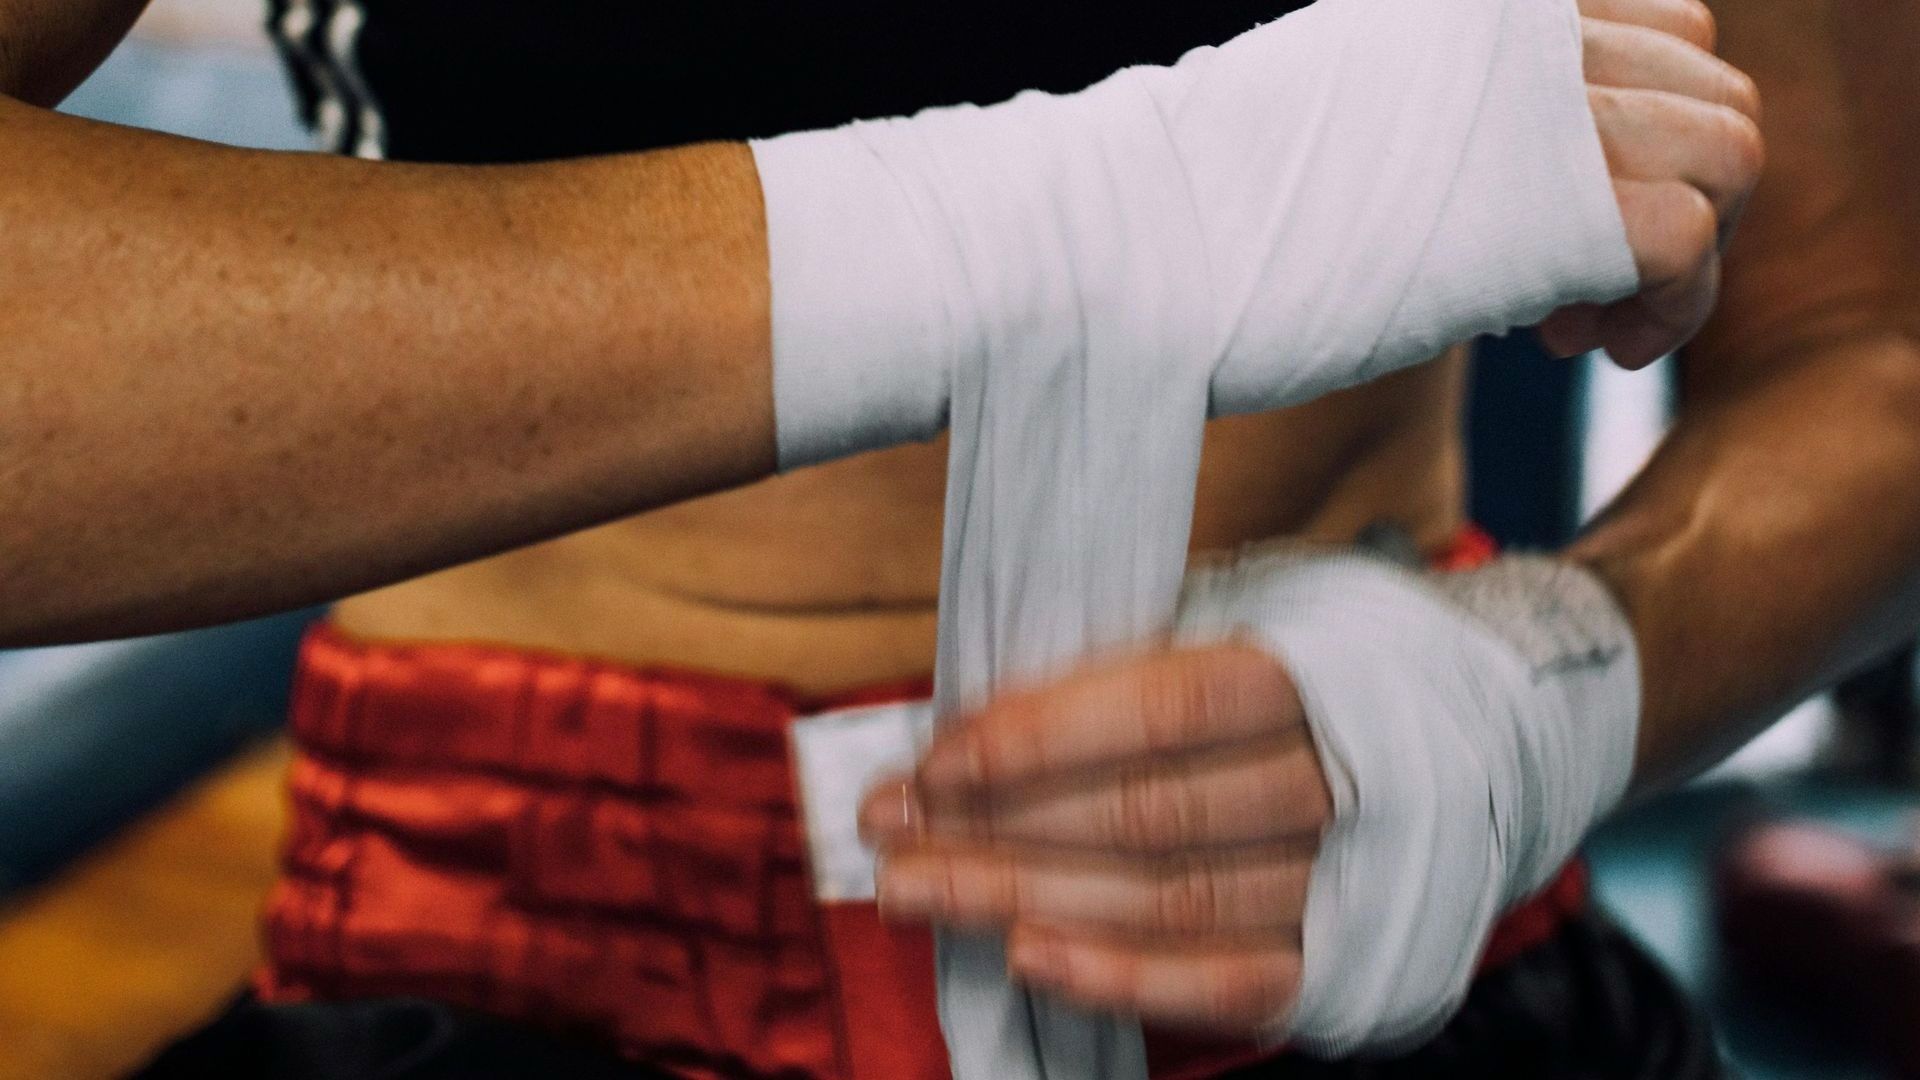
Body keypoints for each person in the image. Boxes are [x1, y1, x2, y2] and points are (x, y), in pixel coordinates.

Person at [0, 0, 1777, 1076]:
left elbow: (1870, 334)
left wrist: (1557, 694)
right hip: (525, 940)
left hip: (1400, 914)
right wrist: (1078, 224)